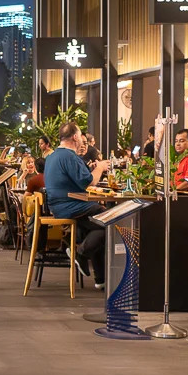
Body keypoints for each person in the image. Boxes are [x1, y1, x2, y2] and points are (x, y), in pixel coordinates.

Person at [44, 121, 113, 287]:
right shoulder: (69, 156)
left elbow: (75, 179)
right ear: (75, 137)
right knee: (109, 220)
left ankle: (101, 279)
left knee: (96, 227)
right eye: (81, 135)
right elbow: (88, 182)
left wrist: (92, 169)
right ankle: (80, 254)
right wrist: (101, 167)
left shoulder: (53, 156)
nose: (83, 140)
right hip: (71, 207)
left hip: (59, 206)